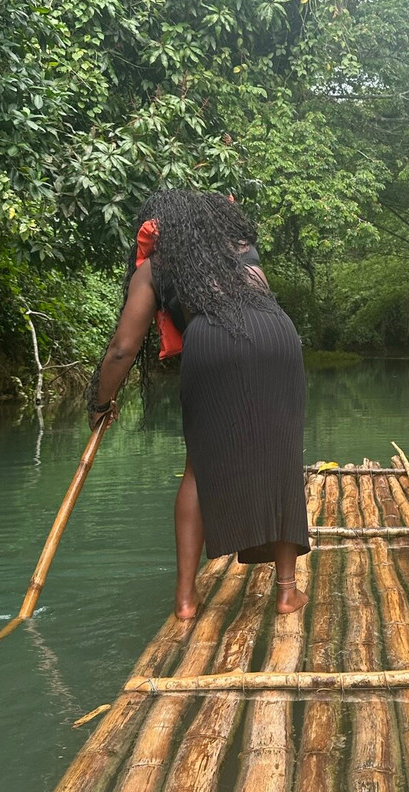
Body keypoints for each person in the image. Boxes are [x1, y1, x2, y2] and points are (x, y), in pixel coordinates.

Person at [87, 190, 309, 617]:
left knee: (197, 468)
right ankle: (285, 593)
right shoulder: (243, 249)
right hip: (277, 337)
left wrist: (101, 403)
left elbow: (121, 349)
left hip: (211, 341)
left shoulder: (156, 267)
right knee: (282, 458)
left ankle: (186, 600)